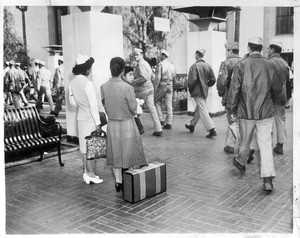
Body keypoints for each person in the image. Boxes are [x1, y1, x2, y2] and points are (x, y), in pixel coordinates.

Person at [227, 36, 276, 191]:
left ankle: (241, 162)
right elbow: (276, 89)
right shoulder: (270, 65)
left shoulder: (241, 65)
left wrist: (232, 109)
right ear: (261, 48)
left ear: (248, 48)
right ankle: (267, 180)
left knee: (245, 141)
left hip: (246, 110)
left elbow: (234, 90)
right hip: (266, 111)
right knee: (266, 145)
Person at [101, 57, 146, 192]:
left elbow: (105, 105)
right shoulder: (127, 87)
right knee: (128, 151)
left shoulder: (103, 87)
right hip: (127, 123)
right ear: (122, 71)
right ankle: (128, 179)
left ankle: (118, 182)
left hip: (112, 124)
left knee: (115, 153)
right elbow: (133, 108)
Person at [69, 54, 103, 185]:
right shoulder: (88, 83)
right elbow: (93, 105)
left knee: (84, 147)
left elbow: (72, 102)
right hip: (90, 119)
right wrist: (98, 123)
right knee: (91, 147)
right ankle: (90, 174)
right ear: (86, 69)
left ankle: (86, 172)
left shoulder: (72, 82)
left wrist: (81, 104)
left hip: (80, 118)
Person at [185, 49, 217, 138]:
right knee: (199, 108)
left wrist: (191, 90)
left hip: (197, 91)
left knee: (202, 109)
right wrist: (206, 85)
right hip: (204, 91)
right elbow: (213, 80)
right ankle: (192, 125)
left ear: (196, 55)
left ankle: (211, 129)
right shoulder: (208, 66)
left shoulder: (194, 66)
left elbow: (192, 81)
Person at [217, 42, 242, 153]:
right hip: (243, 97)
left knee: (231, 120)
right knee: (237, 120)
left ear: (230, 51)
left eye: (226, 51)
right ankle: (229, 144)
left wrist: (221, 92)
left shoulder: (226, 63)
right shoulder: (244, 61)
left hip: (230, 96)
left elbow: (222, 81)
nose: (226, 53)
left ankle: (245, 145)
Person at [132, 48, 163, 137]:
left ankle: (136, 128)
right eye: (134, 55)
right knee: (152, 109)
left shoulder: (140, 65)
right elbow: (152, 77)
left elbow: (143, 78)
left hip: (142, 90)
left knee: (135, 109)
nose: (136, 56)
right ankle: (158, 129)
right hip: (149, 89)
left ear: (141, 54)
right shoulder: (146, 63)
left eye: (137, 54)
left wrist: (132, 82)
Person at [267, 41, 289, 155]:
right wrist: (287, 98)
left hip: (269, 97)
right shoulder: (285, 63)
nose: (267, 51)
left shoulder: (269, 62)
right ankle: (280, 144)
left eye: (268, 49)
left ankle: (265, 145)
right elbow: (288, 82)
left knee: (266, 121)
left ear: (272, 50)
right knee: (280, 121)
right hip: (281, 97)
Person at [154, 49, 176, 129]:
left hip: (162, 85)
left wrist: (155, 87)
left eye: (161, 55)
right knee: (169, 104)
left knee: (157, 101)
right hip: (170, 85)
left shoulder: (161, 64)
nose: (160, 56)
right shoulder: (172, 65)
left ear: (163, 56)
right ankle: (169, 122)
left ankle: (161, 120)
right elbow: (174, 76)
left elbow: (158, 77)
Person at [122, 65, 145, 134]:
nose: (133, 77)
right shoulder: (127, 87)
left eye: (133, 75)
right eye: (130, 75)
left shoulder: (130, 86)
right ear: (123, 76)